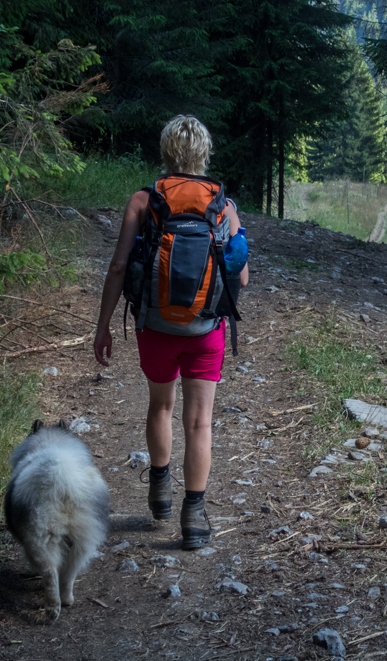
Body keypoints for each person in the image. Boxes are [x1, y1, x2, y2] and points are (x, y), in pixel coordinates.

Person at [93, 115, 248, 549]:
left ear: (166, 152)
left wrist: (104, 325)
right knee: (199, 422)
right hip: (205, 331)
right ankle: (194, 516)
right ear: (204, 153)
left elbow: (120, 266)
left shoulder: (144, 200)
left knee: (161, 406)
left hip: (155, 325)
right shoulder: (224, 205)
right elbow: (242, 277)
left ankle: (160, 487)